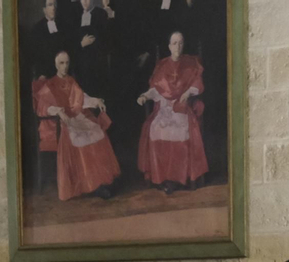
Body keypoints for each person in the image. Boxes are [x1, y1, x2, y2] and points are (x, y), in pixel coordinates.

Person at [33, 49, 123, 200]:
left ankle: (99, 184)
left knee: (98, 133)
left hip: (76, 116)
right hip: (61, 123)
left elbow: (81, 98)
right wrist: (59, 112)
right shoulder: (50, 84)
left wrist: (96, 101)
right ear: (56, 64)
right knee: (79, 138)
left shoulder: (71, 81)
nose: (65, 66)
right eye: (61, 63)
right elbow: (42, 106)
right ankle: (86, 185)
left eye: (67, 63)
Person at [136, 31, 208, 193]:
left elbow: (197, 84)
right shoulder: (162, 65)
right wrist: (144, 95)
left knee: (180, 131)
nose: (178, 46)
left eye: (181, 43)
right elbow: (155, 89)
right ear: (169, 46)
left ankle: (178, 178)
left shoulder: (191, 63)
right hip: (164, 107)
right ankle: (163, 178)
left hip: (182, 107)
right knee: (155, 128)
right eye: (174, 43)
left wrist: (188, 93)